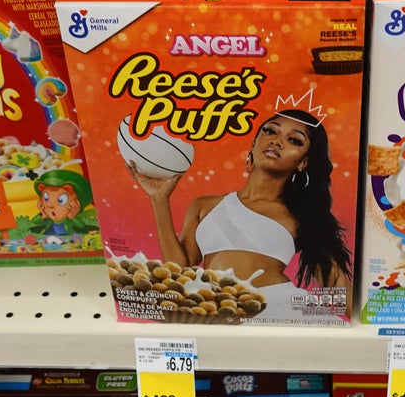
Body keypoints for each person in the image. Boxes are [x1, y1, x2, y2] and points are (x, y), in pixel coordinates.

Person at [128, 108, 352, 320]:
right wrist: (159, 199)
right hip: (218, 312)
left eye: (294, 140)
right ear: (254, 143)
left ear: (303, 162)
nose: (276, 141)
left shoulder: (301, 217)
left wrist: (369, 321)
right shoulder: (204, 205)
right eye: (270, 131)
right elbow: (181, 270)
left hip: (279, 311)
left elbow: (338, 286)